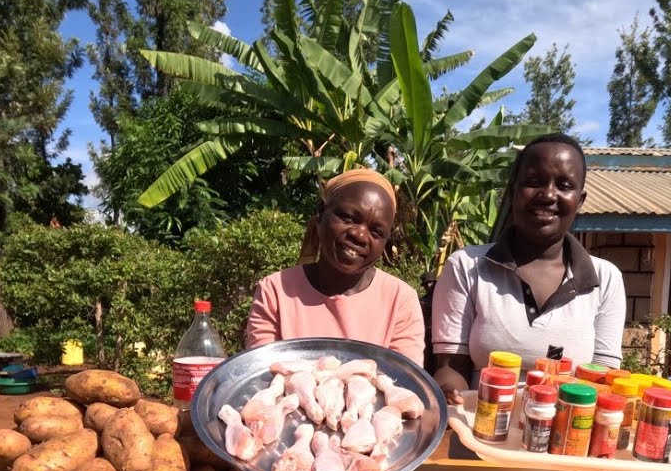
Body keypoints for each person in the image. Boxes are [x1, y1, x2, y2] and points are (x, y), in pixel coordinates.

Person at [430, 133, 626, 404]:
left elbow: (603, 380)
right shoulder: (467, 267)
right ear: (513, 192)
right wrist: (447, 393)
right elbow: (451, 366)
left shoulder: (605, 279)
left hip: (566, 438)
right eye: (534, 182)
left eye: (564, 185)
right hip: (480, 430)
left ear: (579, 200)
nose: (547, 195)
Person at [245, 168, 426, 365]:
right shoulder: (276, 290)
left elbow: (402, 385)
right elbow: (261, 377)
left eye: (376, 231)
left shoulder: (400, 300)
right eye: (349, 218)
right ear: (321, 212)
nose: (360, 235)